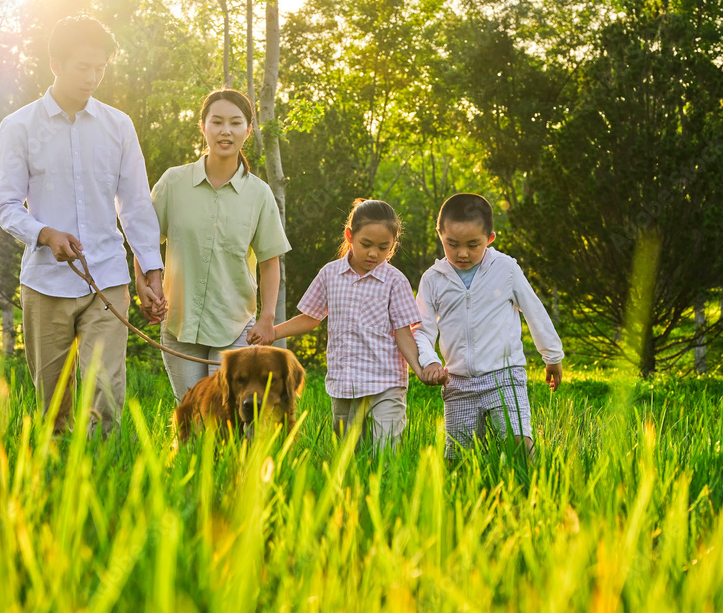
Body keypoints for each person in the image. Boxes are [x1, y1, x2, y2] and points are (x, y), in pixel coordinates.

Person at [0, 14, 165, 437]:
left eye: (100, 68)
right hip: (45, 283)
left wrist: (151, 273)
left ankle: (106, 478)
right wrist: (45, 233)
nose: (93, 78)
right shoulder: (18, 127)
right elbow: (6, 206)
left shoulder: (118, 125)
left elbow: (136, 205)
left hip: (106, 278)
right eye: (83, 67)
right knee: (54, 406)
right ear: (55, 63)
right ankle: (58, 483)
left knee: (104, 392)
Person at [135, 89, 290, 402]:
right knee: (192, 414)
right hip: (179, 322)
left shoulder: (259, 195)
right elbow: (145, 242)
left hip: (234, 327)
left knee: (226, 416)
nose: (225, 131)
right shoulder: (173, 182)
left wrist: (267, 318)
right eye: (217, 122)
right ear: (202, 126)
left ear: (248, 130)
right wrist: (142, 285)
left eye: (235, 123)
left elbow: (270, 262)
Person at [253, 199, 437, 450]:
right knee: (349, 453)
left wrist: (419, 368)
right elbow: (311, 317)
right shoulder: (330, 274)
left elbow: (404, 333)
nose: (374, 253)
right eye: (366, 244)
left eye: (384, 247)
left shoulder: (395, 281)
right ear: (350, 235)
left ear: (393, 245)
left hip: (386, 383)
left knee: (386, 451)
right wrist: (272, 333)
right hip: (345, 384)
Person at [414, 193, 563, 461]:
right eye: (452, 243)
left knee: (518, 441)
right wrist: (430, 362)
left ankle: (532, 491)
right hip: (456, 381)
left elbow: (534, 311)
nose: (462, 253)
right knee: (458, 458)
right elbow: (422, 329)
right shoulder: (433, 280)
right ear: (440, 234)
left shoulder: (505, 269)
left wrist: (552, 355)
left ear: (490, 238)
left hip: (504, 375)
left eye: (473, 245)